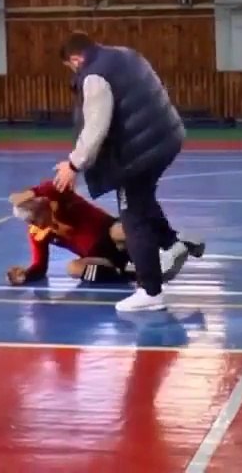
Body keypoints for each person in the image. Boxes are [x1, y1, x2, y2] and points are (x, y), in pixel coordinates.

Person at [52, 31, 192, 312]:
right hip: (166, 137)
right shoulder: (125, 54)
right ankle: (171, 244)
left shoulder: (94, 76)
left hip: (139, 152)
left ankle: (150, 292)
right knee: (141, 197)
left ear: (76, 59)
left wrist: (74, 164)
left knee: (132, 217)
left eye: (70, 67)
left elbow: (95, 127)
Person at [6, 179, 205, 286]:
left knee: (122, 230)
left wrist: (26, 194)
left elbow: (49, 186)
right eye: (31, 223)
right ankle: (131, 274)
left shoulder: (59, 199)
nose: (37, 225)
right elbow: (40, 266)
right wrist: (27, 274)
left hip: (110, 233)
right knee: (73, 268)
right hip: (99, 259)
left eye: (36, 218)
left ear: (41, 206)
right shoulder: (38, 233)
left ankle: (177, 242)